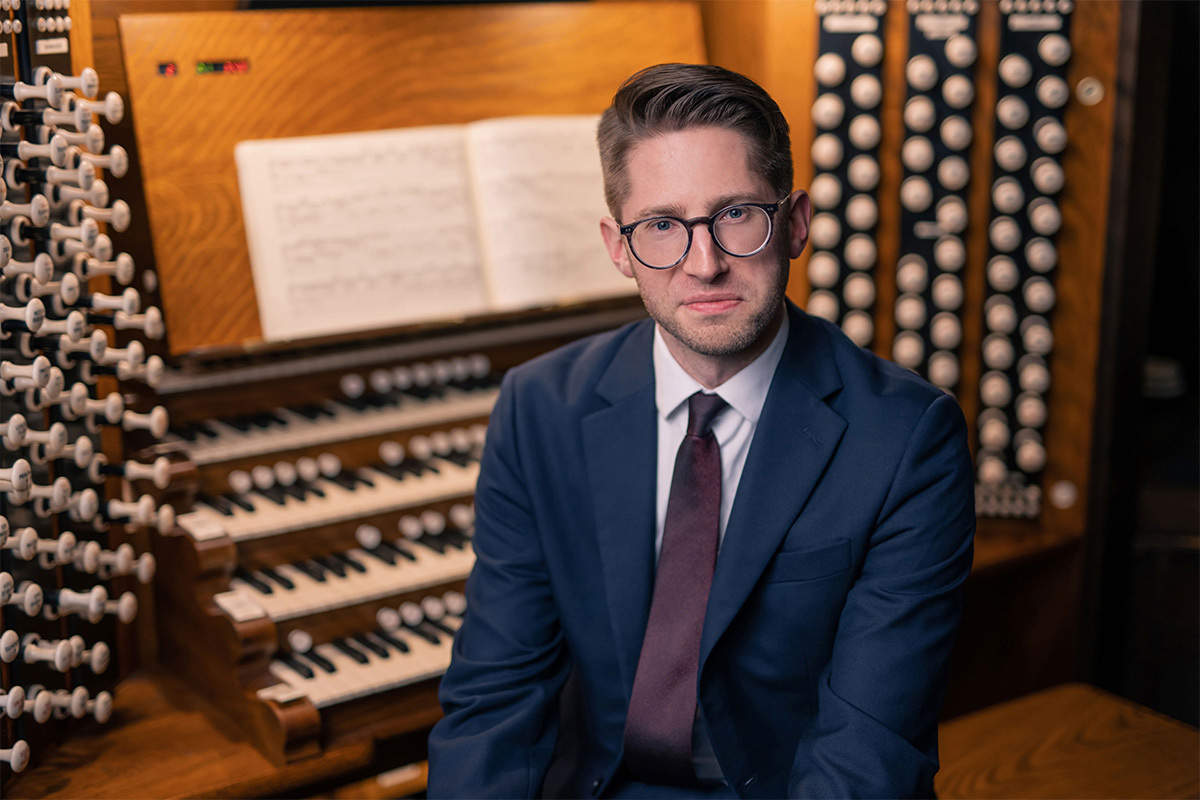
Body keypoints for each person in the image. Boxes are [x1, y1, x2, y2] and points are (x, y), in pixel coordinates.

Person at [427, 63, 975, 799]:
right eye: (661, 226)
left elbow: (866, 756)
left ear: (796, 223)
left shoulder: (908, 440)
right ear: (619, 247)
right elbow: (494, 698)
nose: (704, 262)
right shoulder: (539, 410)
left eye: (737, 214)